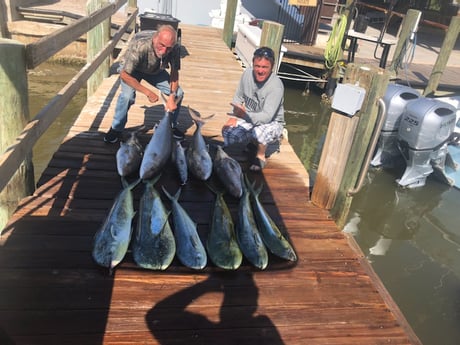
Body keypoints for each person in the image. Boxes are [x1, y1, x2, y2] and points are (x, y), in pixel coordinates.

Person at [104, 24, 185, 143]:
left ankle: (170, 125)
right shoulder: (140, 45)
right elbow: (124, 74)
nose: (164, 51)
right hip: (131, 70)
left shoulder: (175, 48)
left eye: (168, 48)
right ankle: (116, 129)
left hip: (155, 69)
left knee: (179, 93)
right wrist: (147, 92)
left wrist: (172, 96)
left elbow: (174, 72)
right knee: (127, 97)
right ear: (156, 37)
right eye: (162, 45)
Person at [222, 46, 284, 171]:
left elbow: (266, 117)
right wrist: (233, 117)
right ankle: (252, 143)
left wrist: (243, 116)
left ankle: (260, 155)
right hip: (249, 116)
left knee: (260, 131)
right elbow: (237, 98)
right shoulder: (246, 74)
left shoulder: (276, 86)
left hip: (272, 122)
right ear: (253, 64)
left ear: (271, 67)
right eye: (257, 66)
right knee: (228, 132)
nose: (260, 71)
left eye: (264, 67)